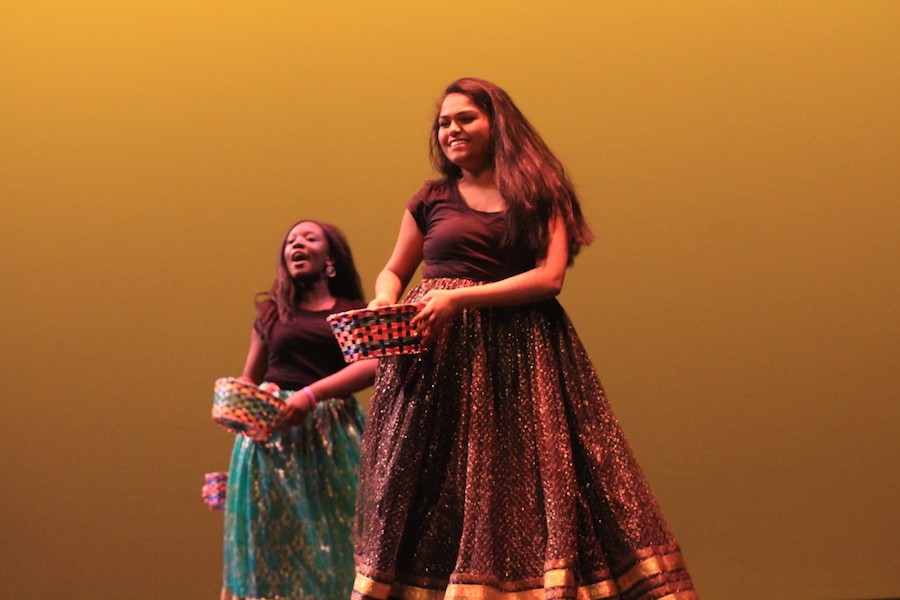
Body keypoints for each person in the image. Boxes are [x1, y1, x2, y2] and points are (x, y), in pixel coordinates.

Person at [352, 78, 698, 600]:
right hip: (434, 359)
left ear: (497, 122)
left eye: (465, 118)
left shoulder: (540, 191)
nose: (451, 130)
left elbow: (549, 278)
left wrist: (458, 299)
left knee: (520, 481)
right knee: (428, 490)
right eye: (443, 123)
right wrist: (385, 300)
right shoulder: (430, 197)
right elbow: (394, 269)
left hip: (520, 356)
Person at [220, 219, 377, 600]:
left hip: (333, 434)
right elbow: (249, 378)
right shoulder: (271, 313)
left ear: (331, 259)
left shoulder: (352, 312)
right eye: (291, 240)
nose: (297, 244)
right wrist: (247, 399)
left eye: (309, 238)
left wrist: (310, 396)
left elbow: (372, 366)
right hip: (271, 438)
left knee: (338, 540)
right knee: (271, 541)